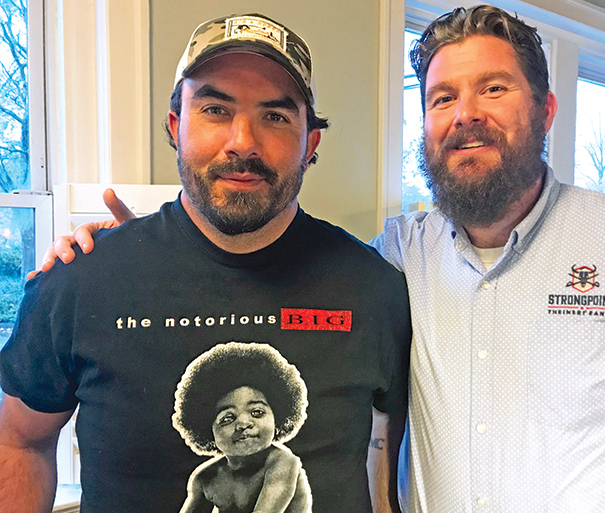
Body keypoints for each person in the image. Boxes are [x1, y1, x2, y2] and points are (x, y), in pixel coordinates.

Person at [31, 4, 605, 513]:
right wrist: (122, 250)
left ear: (545, 112)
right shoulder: (397, 257)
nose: (465, 113)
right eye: (442, 96)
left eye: (494, 88)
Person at [0, 12, 410, 513]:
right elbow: (18, 440)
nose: (242, 141)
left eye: (276, 116)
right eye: (216, 109)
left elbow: (389, 457)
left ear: (311, 144)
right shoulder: (79, 281)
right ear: (177, 126)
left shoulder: (376, 289)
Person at [173, 342, 311, 513]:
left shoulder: (282, 462)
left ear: (277, 416)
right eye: (227, 418)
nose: (243, 423)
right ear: (208, 431)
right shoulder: (205, 478)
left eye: (257, 412)